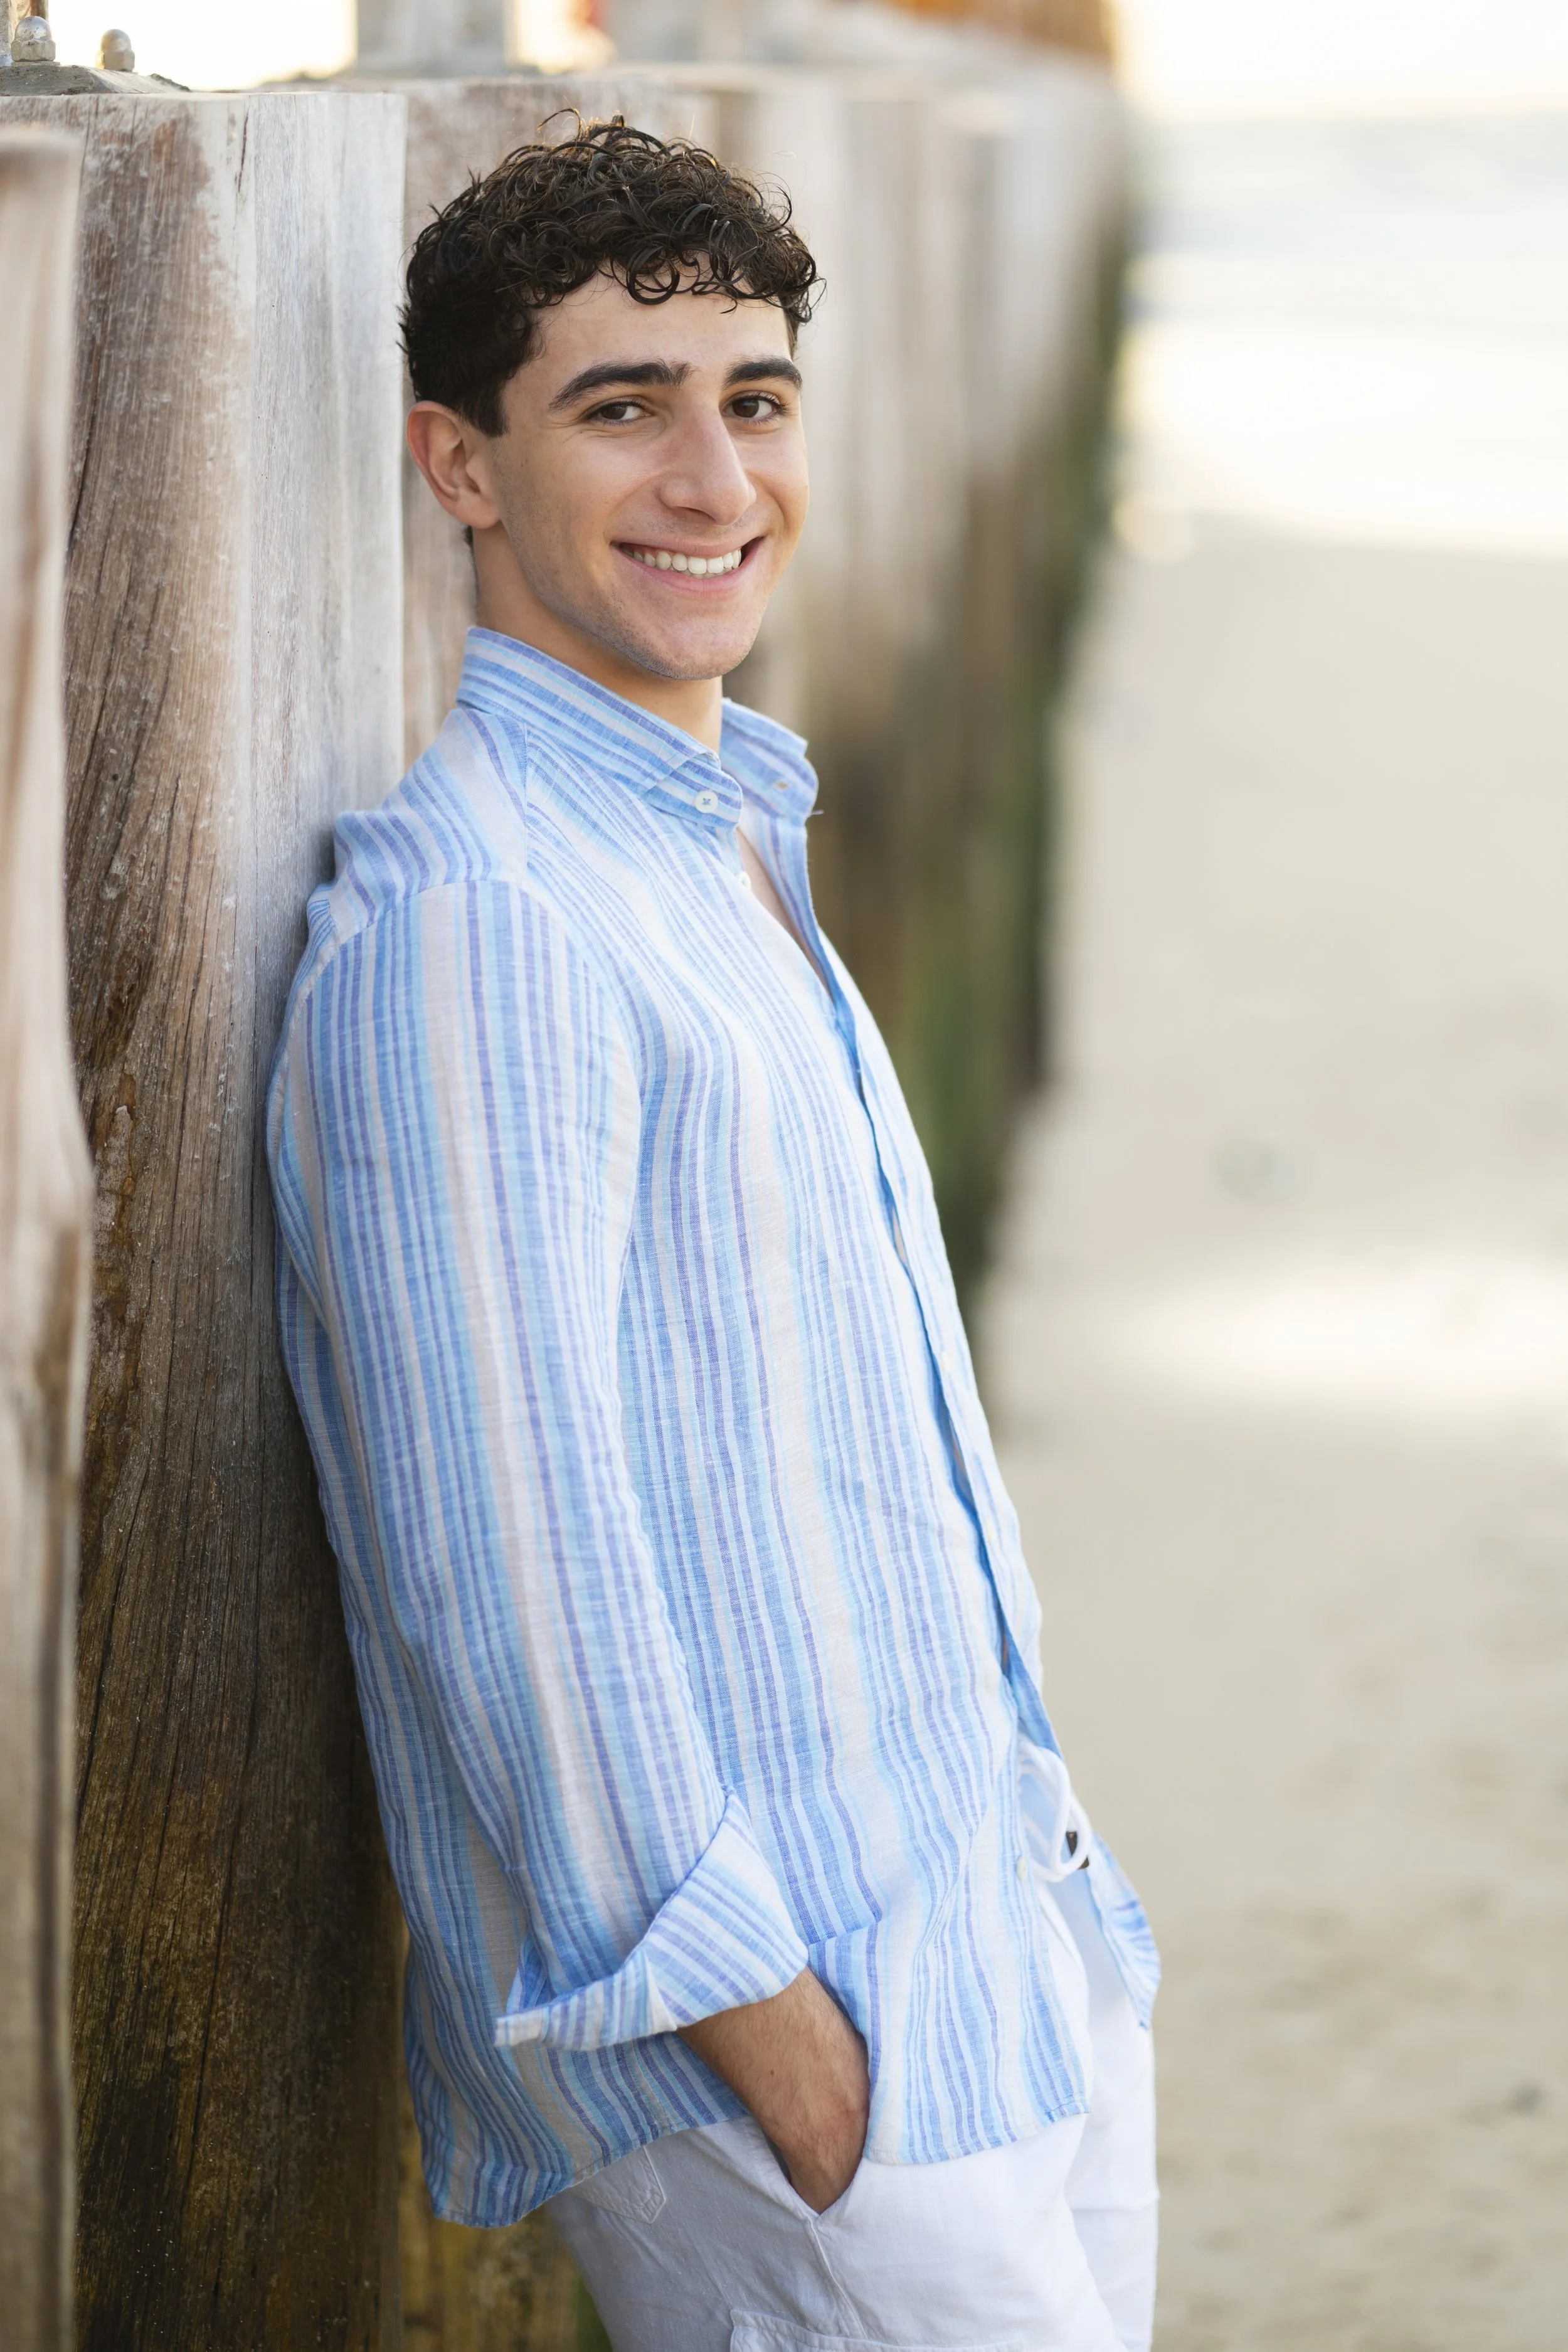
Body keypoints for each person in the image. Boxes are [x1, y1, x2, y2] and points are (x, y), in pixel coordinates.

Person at [267, 119, 1158, 2351]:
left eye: (753, 400)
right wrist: (773, 2041)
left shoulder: (724, 838)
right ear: (460, 467)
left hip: (999, 1945)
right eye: (619, 407)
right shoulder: (479, 928)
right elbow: (502, 1558)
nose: (711, 476)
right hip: (803, 2054)